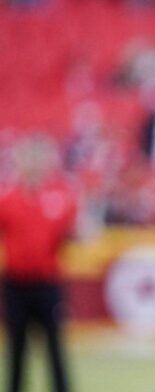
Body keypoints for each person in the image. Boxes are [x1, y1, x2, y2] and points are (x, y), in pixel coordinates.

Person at [0, 134, 76, 392]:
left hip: (47, 283)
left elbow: (70, 234)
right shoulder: (7, 198)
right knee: (16, 346)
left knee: (55, 345)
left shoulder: (59, 197)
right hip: (16, 284)